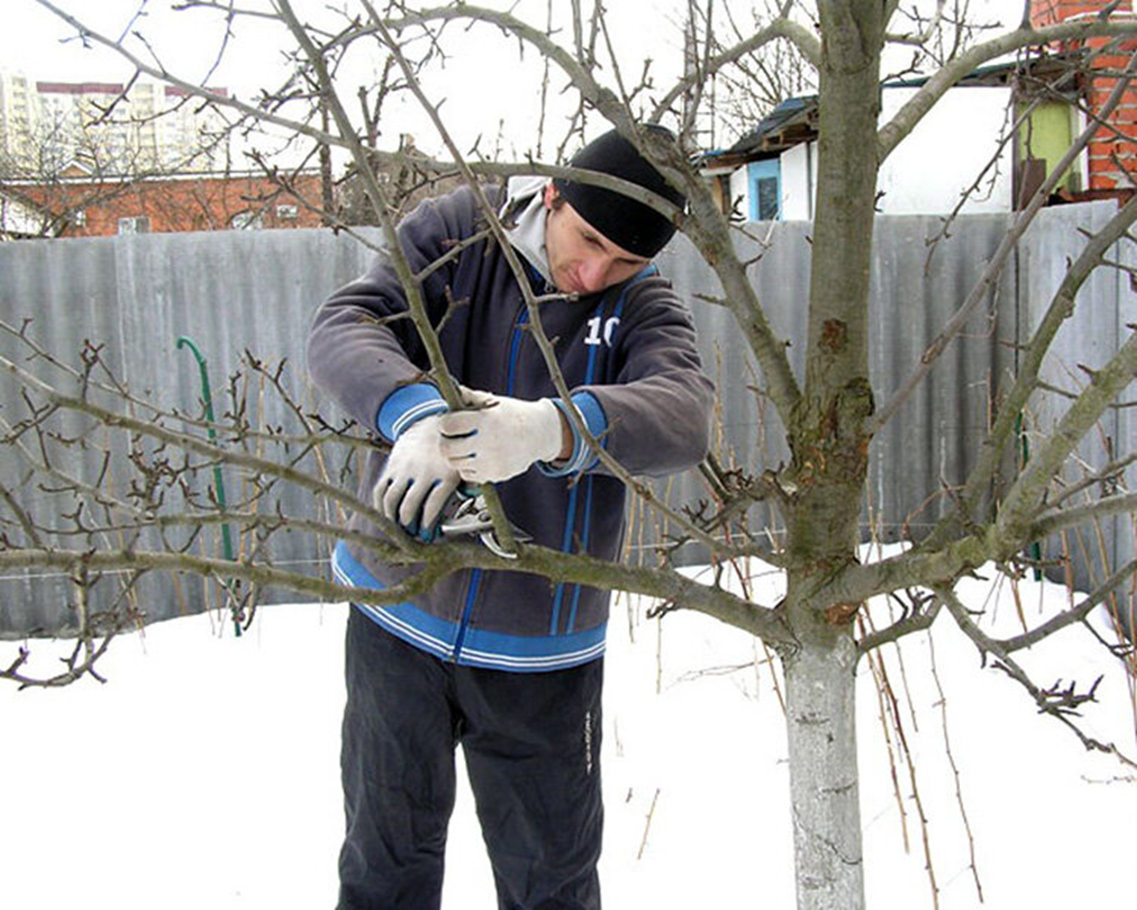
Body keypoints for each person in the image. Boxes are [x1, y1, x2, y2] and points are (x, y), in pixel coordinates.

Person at [307, 125, 714, 910]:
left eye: (625, 260)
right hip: (398, 611)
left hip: (541, 652)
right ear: (552, 194)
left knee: (550, 884)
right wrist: (415, 414)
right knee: (382, 867)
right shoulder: (458, 230)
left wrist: (552, 428)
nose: (594, 272)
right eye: (587, 239)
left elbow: (685, 413)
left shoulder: (641, 304)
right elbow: (345, 323)